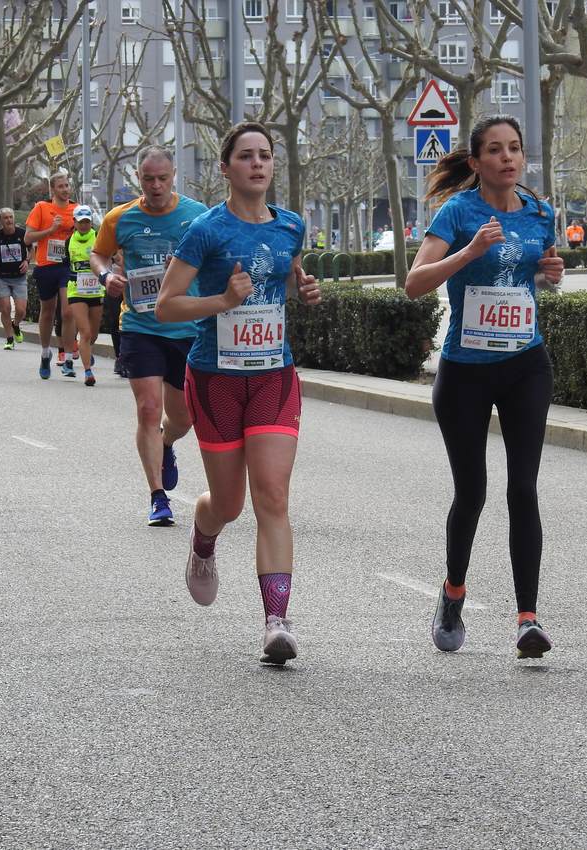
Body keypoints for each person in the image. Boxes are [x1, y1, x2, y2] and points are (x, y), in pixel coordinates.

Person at [156, 122, 322, 665]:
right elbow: (166, 306)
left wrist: (305, 287)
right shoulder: (206, 231)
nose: (257, 164)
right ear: (225, 168)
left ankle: (277, 621)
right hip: (215, 378)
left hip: (274, 375)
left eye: (265, 156)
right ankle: (204, 540)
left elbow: (288, 277)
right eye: (245, 156)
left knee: (271, 496)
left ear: (274, 166)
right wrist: (223, 302)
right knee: (228, 504)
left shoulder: (291, 227)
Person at [403, 115, 564, 660]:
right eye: (494, 150)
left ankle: (528, 620)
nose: (507, 158)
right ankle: (453, 594)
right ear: (475, 163)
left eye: (514, 148)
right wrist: (469, 252)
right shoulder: (459, 212)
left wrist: (549, 272)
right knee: (472, 493)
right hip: (466, 371)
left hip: (525, 363)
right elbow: (414, 284)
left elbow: (531, 275)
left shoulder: (540, 212)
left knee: (524, 488)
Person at [90, 145, 205, 526]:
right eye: (148, 179)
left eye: (162, 178)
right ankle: (158, 497)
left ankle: (168, 443)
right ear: (138, 179)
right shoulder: (120, 218)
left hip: (186, 328)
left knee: (183, 417)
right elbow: (99, 254)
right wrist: (107, 276)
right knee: (148, 409)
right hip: (140, 326)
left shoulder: (197, 216)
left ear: (174, 177)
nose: (155, 186)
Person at [25, 171, 77, 379]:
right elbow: (28, 238)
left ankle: (69, 358)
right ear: (53, 189)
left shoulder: (76, 209)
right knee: (47, 310)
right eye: (61, 186)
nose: (65, 189)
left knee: (68, 311)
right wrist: (50, 229)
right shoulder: (42, 208)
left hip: (67, 265)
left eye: (67, 186)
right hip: (46, 265)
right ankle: (45, 352)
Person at [66, 204, 102, 386]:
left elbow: (108, 257)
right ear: (74, 222)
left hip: (96, 291)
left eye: (87, 222)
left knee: (93, 335)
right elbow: (63, 265)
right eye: (80, 222)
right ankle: (88, 372)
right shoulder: (68, 241)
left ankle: (86, 349)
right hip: (76, 291)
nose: (84, 225)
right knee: (85, 333)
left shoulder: (100, 238)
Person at [0, 207, 29, 350]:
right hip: (2, 277)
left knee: (21, 310)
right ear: (1, 220)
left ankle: (15, 325)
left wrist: (27, 261)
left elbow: (32, 250)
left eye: (11, 217)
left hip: (19, 277)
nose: (9, 220)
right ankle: (9, 338)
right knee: (5, 309)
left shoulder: (22, 234)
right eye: (6, 218)